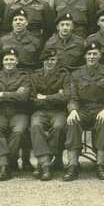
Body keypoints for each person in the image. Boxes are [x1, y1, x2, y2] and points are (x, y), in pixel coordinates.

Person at [64, 43, 104, 181]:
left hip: (100, 109)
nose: (92, 57)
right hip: (83, 109)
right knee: (73, 121)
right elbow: (72, 98)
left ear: (100, 55)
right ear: (85, 56)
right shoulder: (76, 74)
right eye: (89, 54)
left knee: (103, 122)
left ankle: (101, 165)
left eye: (95, 54)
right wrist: (73, 110)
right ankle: (73, 165)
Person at [0, 48, 32, 181]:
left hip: (19, 112)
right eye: (6, 59)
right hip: (0, 112)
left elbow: (24, 97)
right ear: (2, 61)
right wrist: (15, 94)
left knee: (18, 131)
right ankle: (5, 165)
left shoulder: (24, 76)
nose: (9, 62)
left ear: (17, 61)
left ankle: (6, 163)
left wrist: (3, 94)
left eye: (12, 59)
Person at [29, 48, 69, 181]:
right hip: (39, 111)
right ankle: (46, 165)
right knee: (35, 126)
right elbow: (32, 99)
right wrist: (56, 95)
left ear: (56, 61)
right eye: (47, 60)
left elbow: (66, 97)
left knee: (58, 127)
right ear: (42, 61)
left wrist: (44, 97)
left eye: (53, 60)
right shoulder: (35, 76)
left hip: (59, 111)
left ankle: (43, 163)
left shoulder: (63, 75)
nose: (50, 62)